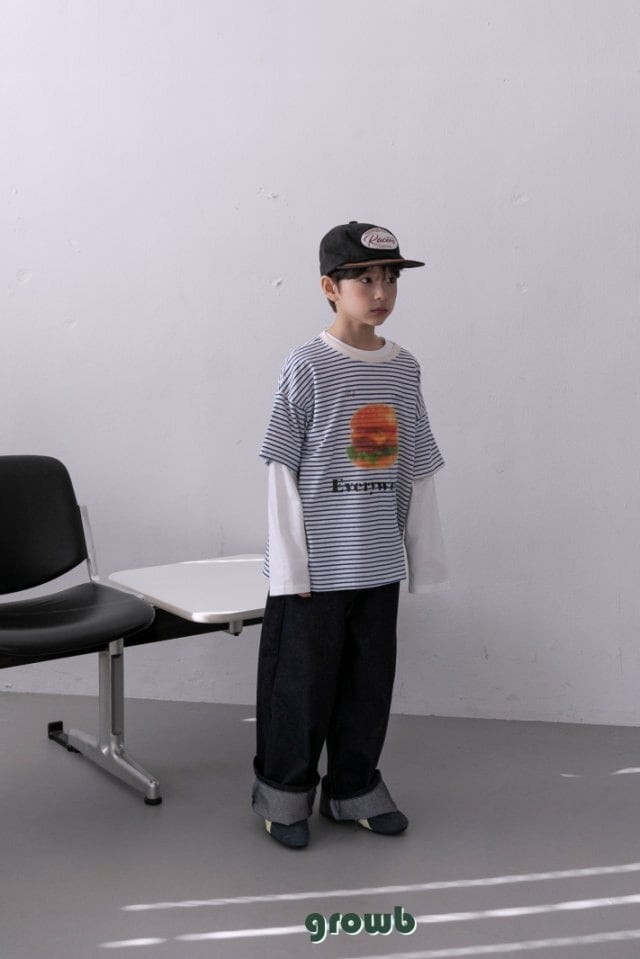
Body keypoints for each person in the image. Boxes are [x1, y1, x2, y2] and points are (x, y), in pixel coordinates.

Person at [252, 221, 447, 848]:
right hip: (314, 572)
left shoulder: (404, 369)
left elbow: (413, 464)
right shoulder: (307, 366)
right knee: (298, 689)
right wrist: (291, 571)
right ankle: (283, 796)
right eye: (364, 279)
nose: (381, 291)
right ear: (330, 288)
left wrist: (422, 560)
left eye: (389, 278)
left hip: (376, 565)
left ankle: (354, 790)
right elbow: (281, 468)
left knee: (367, 686)